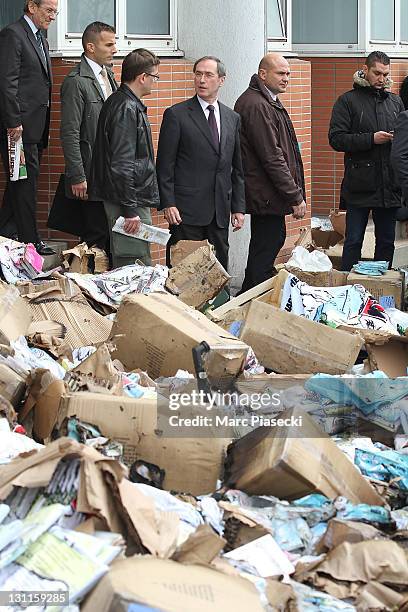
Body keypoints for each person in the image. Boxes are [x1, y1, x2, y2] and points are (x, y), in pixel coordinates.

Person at [156, 56, 245, 271]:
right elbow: (165, 164)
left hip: (219, 211)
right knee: (186, 271)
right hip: (186, 211)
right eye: (198, 74)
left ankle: (220, 306)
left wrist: (238, 207)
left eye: (208, 75)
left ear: (221, 80)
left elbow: (237, 167)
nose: (202, 80)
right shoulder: (177, 115)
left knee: (218, 269)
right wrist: (168, 203)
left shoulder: (232, 118)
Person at [235, 53, 306, 292]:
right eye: (281, 73)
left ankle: (249, 301)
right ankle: (249, 304)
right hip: (265, 195)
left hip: (269, 194)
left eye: (288, 73)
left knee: (267, 247)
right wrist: (294, 196)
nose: (286, 78)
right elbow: (272, 157)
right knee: (264, 253)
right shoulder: (256, 104)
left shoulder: (267, 100)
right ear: (263, 74)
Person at [329, 51, 404, 271]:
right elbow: (336, 139)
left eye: (386, 74)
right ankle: (348, 286)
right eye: (377, 73)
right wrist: (372, 139)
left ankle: (383, 289)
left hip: (389, 185)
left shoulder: (395, 102)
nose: (382, 79)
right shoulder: (347, 101)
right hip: (359, 184)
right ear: (365, 69)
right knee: (353, 241)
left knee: (386, 243)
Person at [90, 48, 160, 268]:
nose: (155, 82)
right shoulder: (126, 108)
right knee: (134, 264)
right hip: (128, 200)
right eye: (155, 77)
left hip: (127, 197)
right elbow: (122, 164)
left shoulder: (119, 101)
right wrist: (130, 211)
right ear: (143, 77)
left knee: (133, 261)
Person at [0, 0, 58, 255]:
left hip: (36, 127)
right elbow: (7, 81)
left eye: (56, 12)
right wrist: (13, 122)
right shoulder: (13, 34)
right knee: (24, 183)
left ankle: (4, 233)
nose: (53, 16)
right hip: (18, 129)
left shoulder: (41, 40)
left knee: (20, 182)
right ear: (31, 7)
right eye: (49, 10)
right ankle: (29, 241)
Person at [56, 21, 117, 251]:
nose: (114, 49)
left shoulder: (109, 75)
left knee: (110, 238)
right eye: (108, 44)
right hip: (89, 175)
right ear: (91, 47)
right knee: (95, 239)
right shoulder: (76, 82)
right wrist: (77, 175)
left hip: (108, 175)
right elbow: (69, 132)